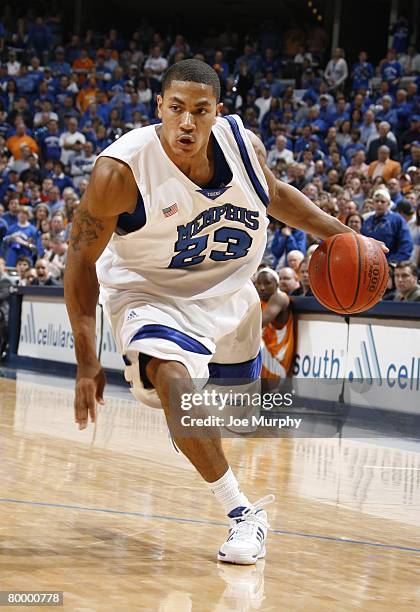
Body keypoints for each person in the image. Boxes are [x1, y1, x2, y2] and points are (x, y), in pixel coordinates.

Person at [64, 59, 371, 566]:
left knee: (225, 415)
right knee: (174, 384)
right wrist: (86, 360)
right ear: (159, 107)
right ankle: (243, 514)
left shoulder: (243, 147)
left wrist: (344, 237)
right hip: (150, 294)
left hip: (231, 296)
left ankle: (200, 428)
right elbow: (79, 260)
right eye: (177, 109)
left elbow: (275, 197)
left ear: (217, 113)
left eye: (200, 111)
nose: (187, 122)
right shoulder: (118, 172)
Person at [254, 268, 294, 381]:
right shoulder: (258, 300)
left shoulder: (280, 297)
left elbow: (258, 324)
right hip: (263, 363)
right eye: (259, 283)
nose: (262, 288)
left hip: (277, 366)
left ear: (277, 284)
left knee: (251, 339)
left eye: (267, 283)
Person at [362, 189, 412, 262]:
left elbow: (406, 244)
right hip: (369, 263)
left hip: (389, 263)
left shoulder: (397, 220)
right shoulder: (367, 221)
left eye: (382, 201)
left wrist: (393, 262)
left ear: (388, 204)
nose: (379, 204)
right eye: (376, 201)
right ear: (373, 203)